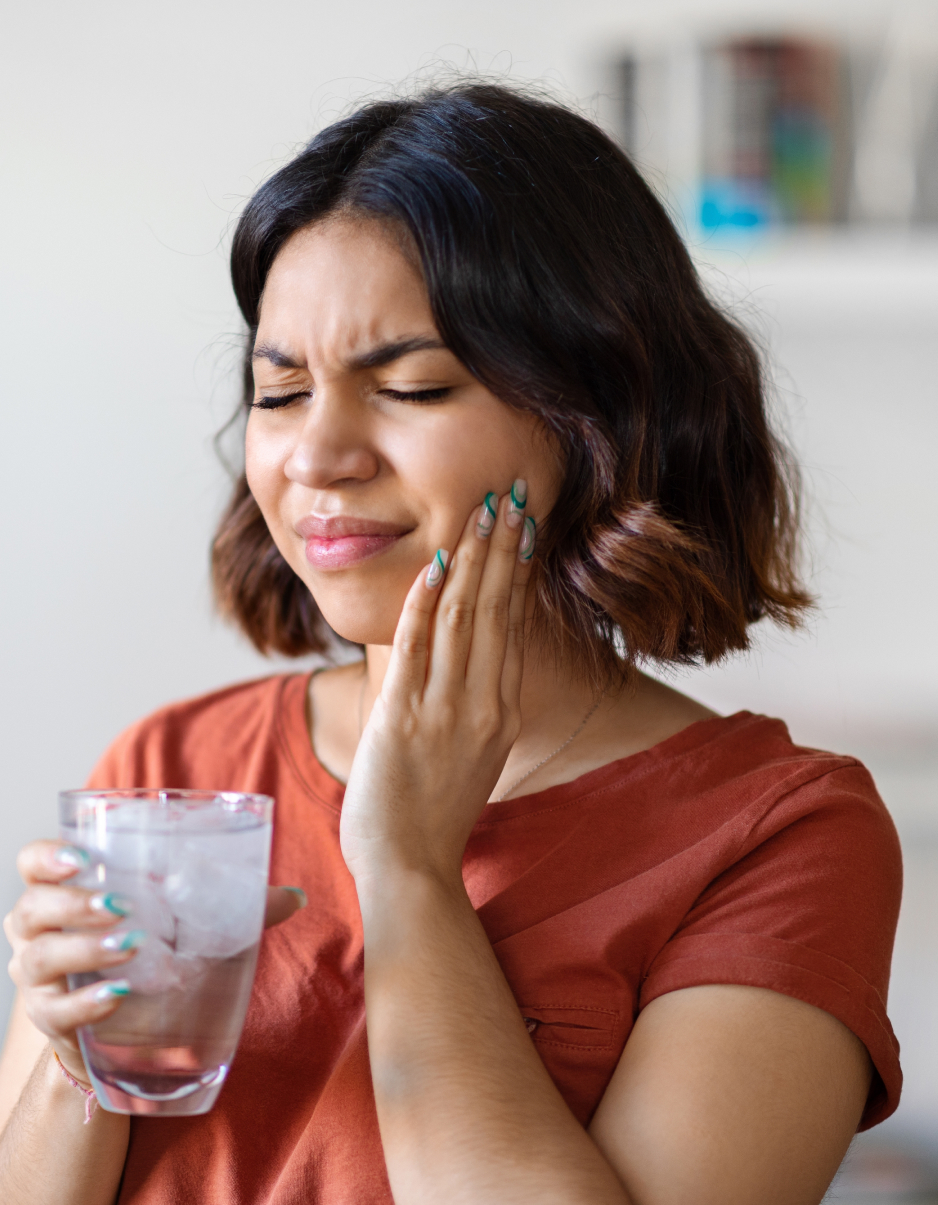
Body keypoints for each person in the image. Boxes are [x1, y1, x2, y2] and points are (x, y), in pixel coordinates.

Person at [0, 82, 901, 1205]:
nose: (316, 455)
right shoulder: (172, 771)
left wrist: (409, 867)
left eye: (411, 386)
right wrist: (82, 1053)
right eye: (279, 393)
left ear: (599, 418)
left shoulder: (777, 831)